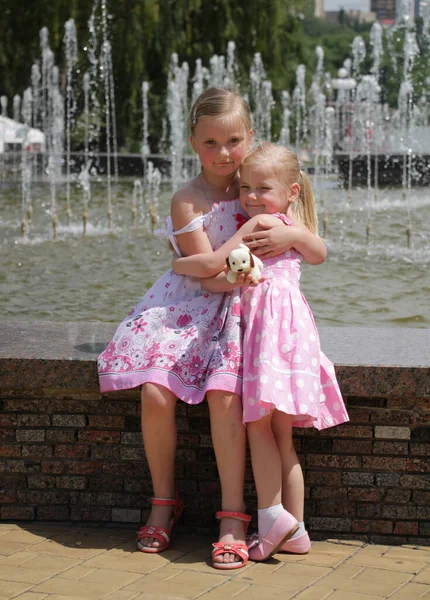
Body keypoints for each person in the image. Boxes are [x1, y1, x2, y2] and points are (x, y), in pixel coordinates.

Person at [97, 88, 314, 570]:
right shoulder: (188, 200)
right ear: (194, 141)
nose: (223, 153)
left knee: (226, 394)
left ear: (249, 138)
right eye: (210, 142)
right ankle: (163, 500)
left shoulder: (261, 186)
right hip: (193, 303)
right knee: (155, 391)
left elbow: (302, 244)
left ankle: (233, 518)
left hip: (241, 307)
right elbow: (209, 276)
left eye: (233, 140)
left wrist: (286, 238)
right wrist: (211, 262)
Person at [172, 142, 349, 561]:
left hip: (269, 331)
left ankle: (272, 519)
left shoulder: (261, 224)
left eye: (262, 187)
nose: (250, 196)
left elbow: (217, 264)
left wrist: (180, 265)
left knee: (257, 426)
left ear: (290, 190)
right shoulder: (286, 221)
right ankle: (299, 529)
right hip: (294, 333)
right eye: (246, 187)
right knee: (282, 436)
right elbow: (319, 254)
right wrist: (295, 233)